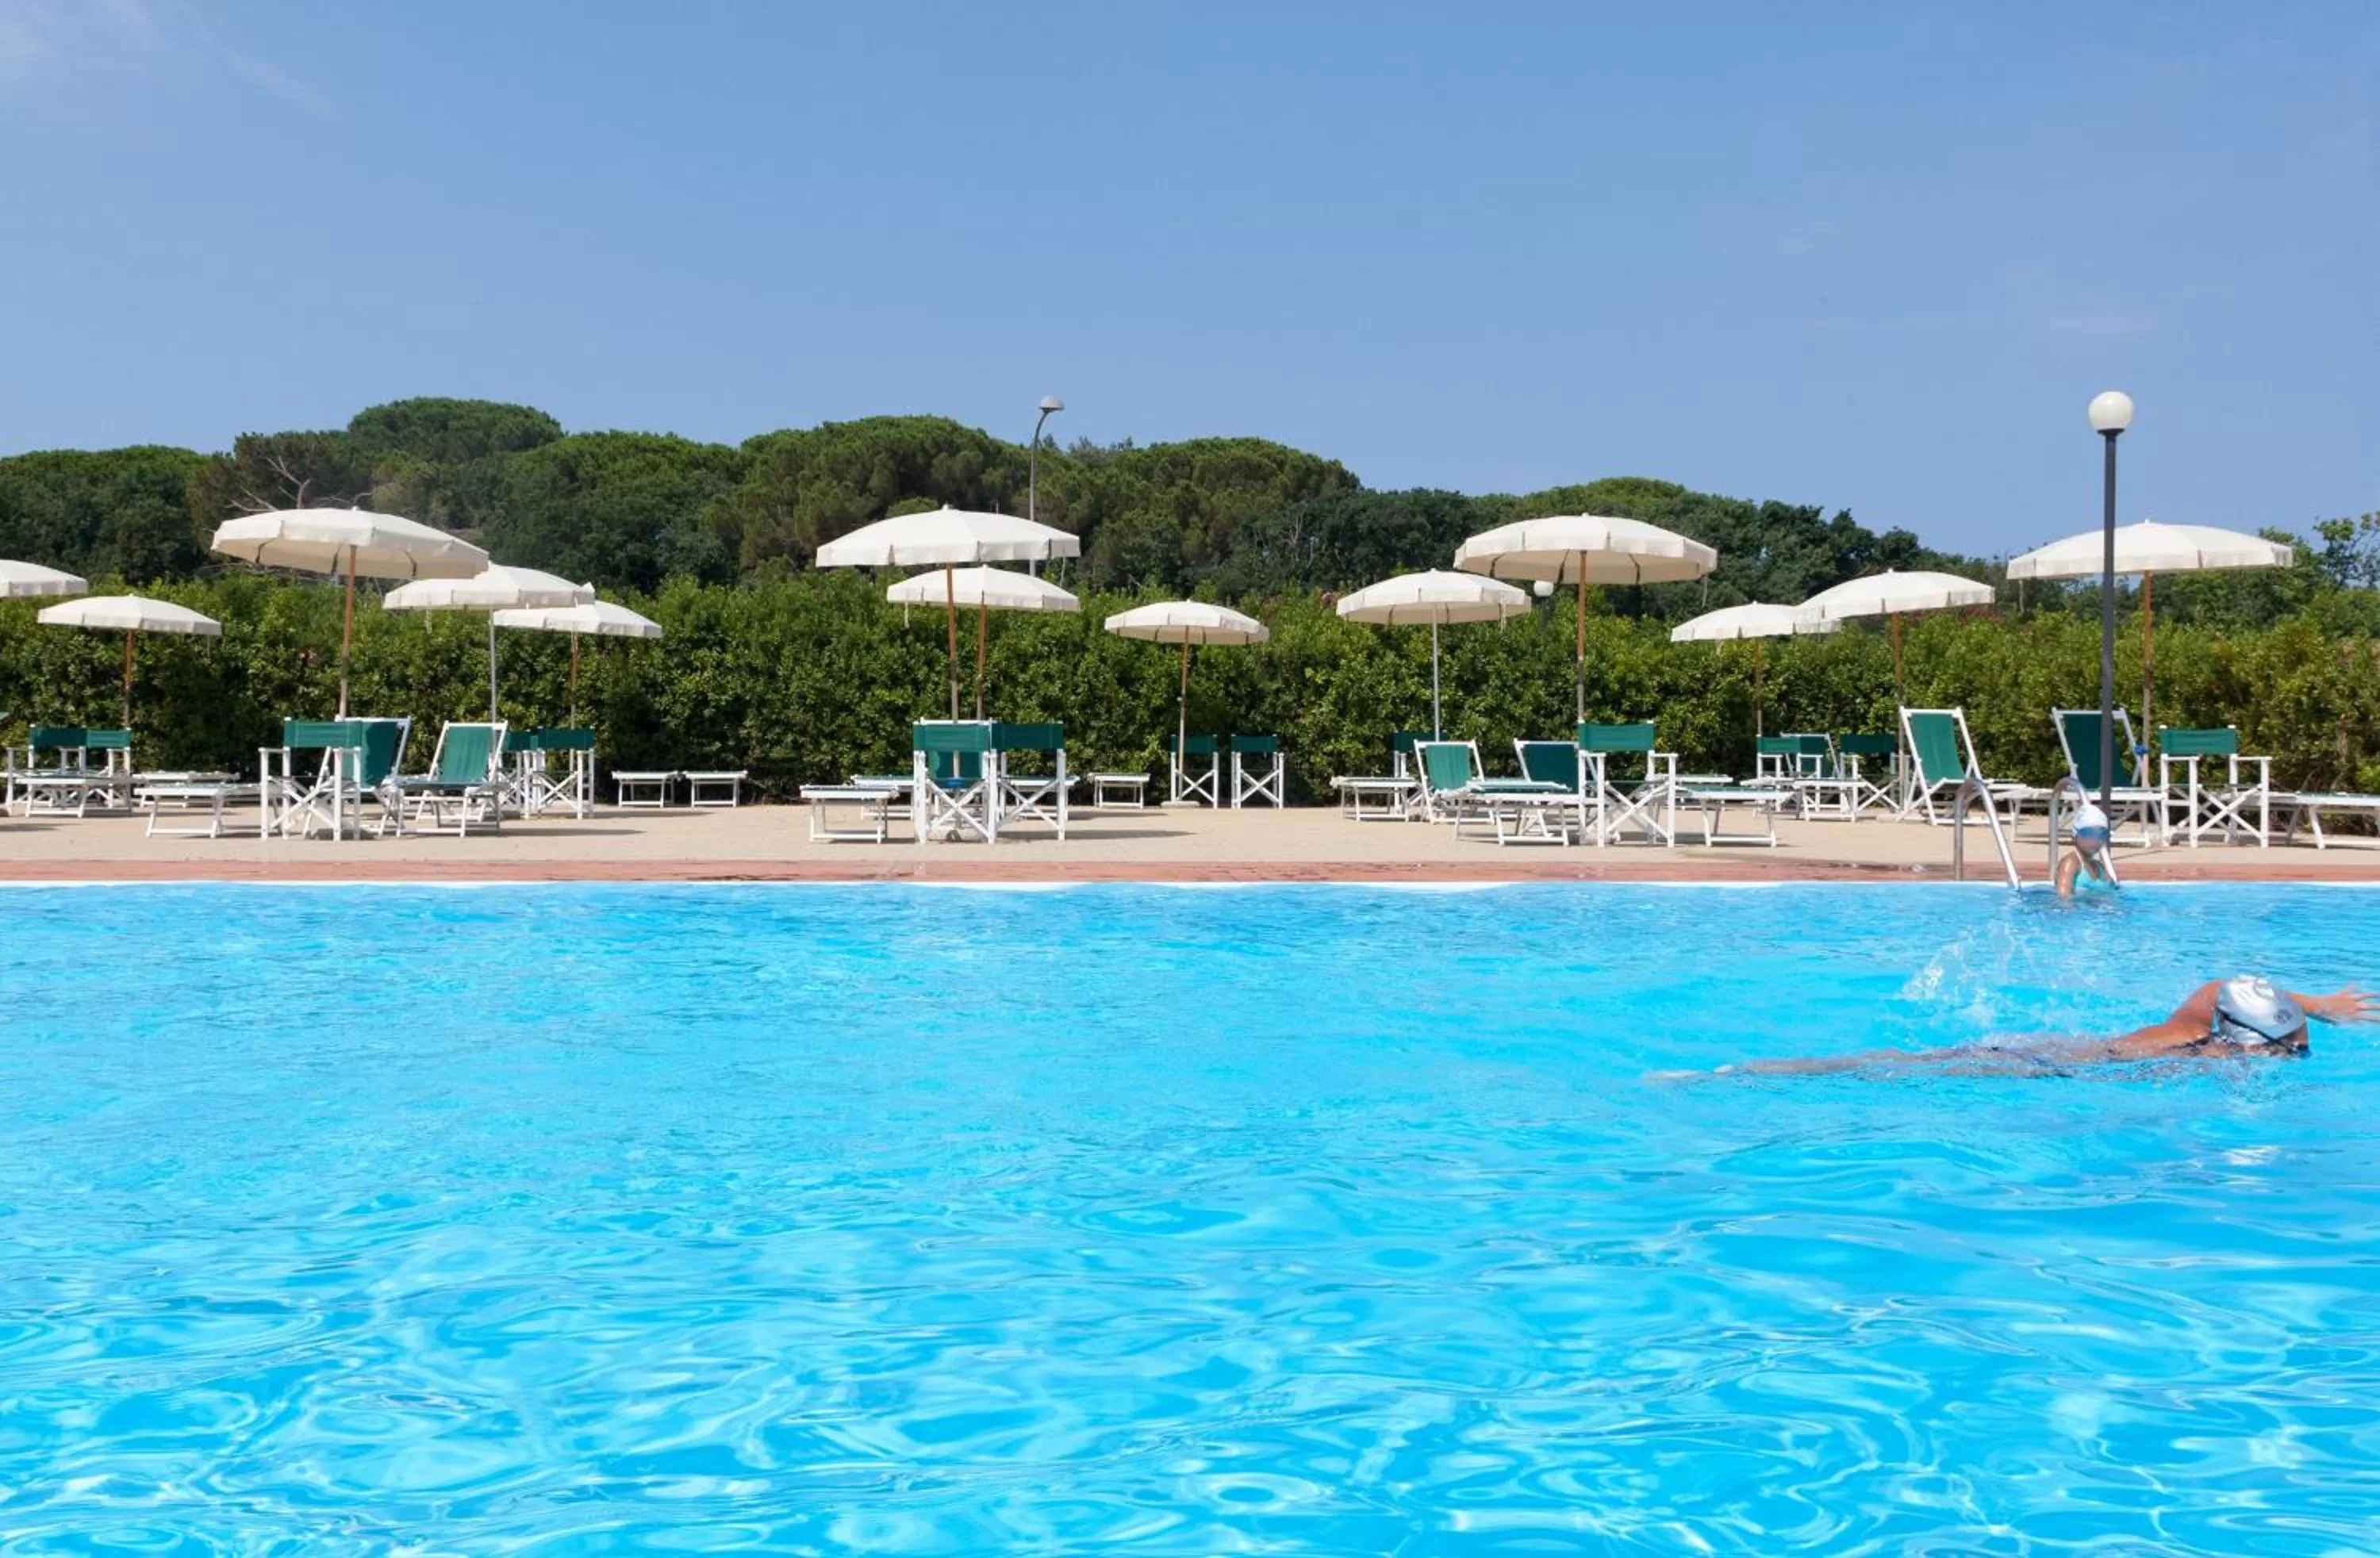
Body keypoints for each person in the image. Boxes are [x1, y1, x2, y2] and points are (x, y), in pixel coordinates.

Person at [1665, 976, 2380, 1079]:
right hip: (2038, 1067)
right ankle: (1748, 1073)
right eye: (2285, 1055)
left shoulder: (2211, 1009)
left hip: (2054, 1054)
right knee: (1901, 1068)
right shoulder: (2201, 1053)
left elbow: (2246, 983)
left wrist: (2319, 1006)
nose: (2290, 1061)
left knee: (1911, 1061)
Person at [2056, 800, 2116, 900]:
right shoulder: (2071, 863)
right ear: (2074, 836)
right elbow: (2063, 899)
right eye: (2087, 833)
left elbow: (2114, 891)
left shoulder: (2100, 867)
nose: (2095, 839)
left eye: (2101, 834)